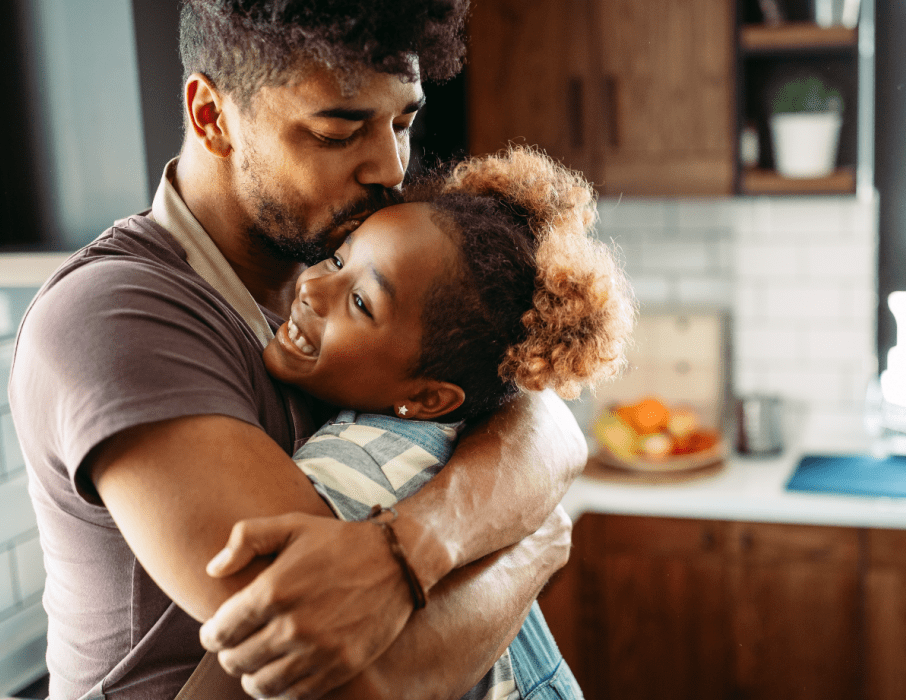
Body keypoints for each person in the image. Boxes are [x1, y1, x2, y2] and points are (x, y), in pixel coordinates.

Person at [8, 2, 589, 698]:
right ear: (211, 116)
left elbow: (540, 416)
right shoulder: (113, 315)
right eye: (338, 131)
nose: (390, 168)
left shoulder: (340, 259)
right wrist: (533, 547)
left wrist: (414, 545)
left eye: (403, 121)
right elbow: (364, 682)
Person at [265, 146, 634, 699]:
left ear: (429, 398)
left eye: (362, 304)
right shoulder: (461, 433)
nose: (312, 289)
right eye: (338, 259)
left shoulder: (352, 473)